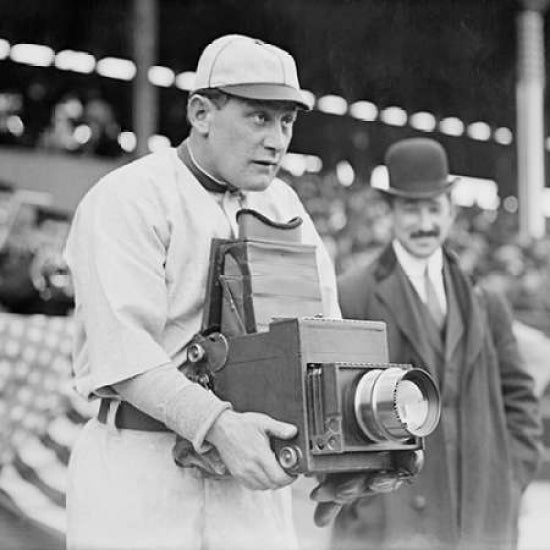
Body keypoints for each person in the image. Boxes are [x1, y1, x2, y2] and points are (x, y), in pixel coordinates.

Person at [63, 34, 415, 550]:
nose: (277, 139)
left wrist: (352, 452)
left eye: (287, 121)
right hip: (142, 471)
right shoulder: (129, 196)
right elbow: (123, 352)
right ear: (201, 112)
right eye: (259, 117)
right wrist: (218, 425)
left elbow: (326, 342)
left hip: (250, 488)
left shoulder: (284, 205)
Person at [334, 137, 543, 550]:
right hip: (390, 523)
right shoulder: (352, 294)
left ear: (451, 211)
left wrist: (510, 477)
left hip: (479, 516)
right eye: (411, 208)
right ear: (390, 212)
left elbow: (521, 399)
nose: (424, 222)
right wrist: (364, 501)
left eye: (434, 208)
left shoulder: (485, 300)